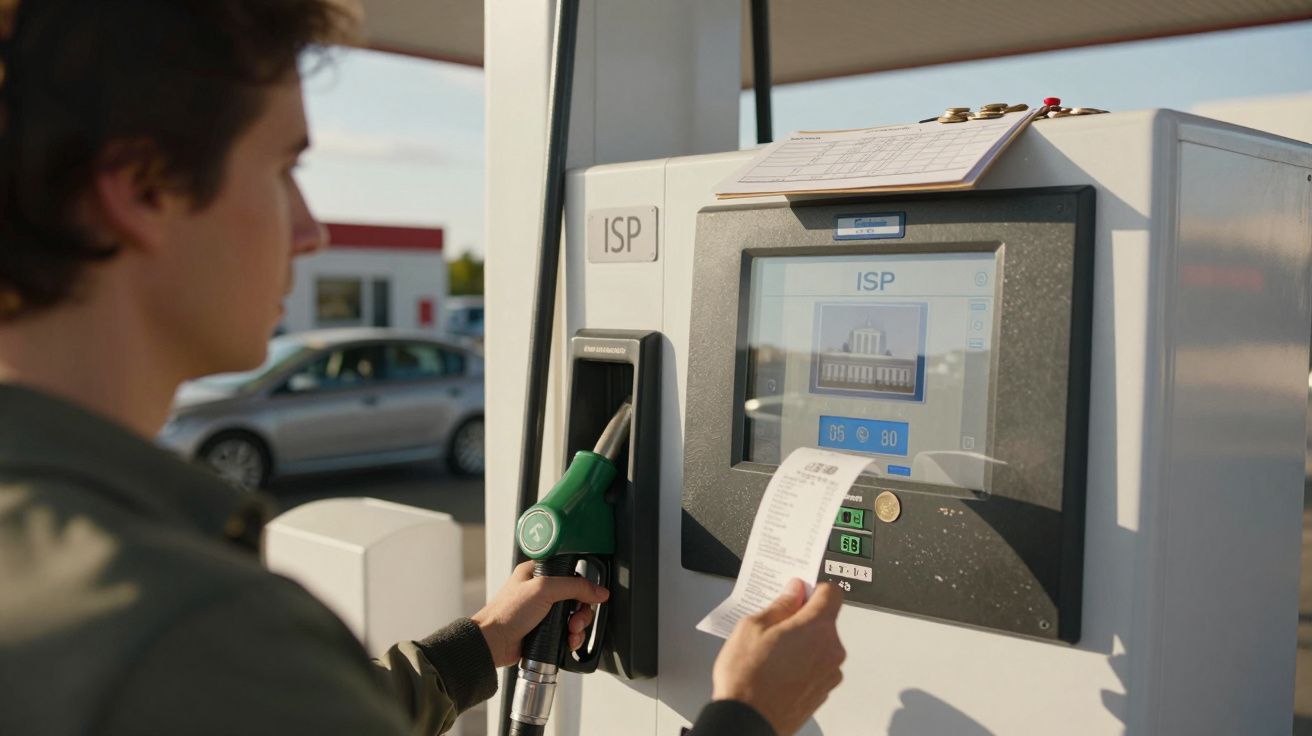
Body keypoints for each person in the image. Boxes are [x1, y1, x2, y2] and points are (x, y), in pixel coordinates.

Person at [0, 2, 846, 735]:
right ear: (144, 189)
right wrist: (747, 716)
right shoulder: (190, 628)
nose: (309, 229)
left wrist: (472, 647)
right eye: (284, 168)